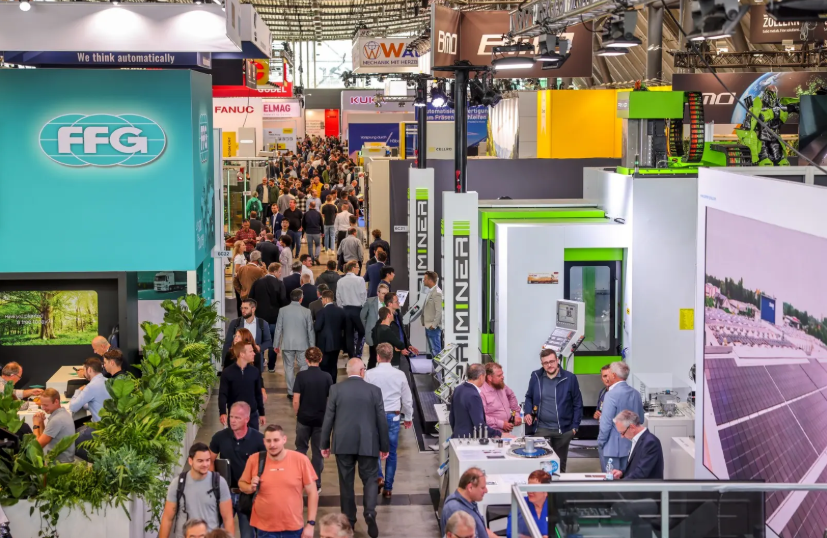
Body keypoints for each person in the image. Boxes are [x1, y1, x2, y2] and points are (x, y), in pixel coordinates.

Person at [320, 358, 389, 538]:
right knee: (370, 479)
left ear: (347, 371)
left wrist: (324, 444)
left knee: (346, 482)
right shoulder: (374, 390)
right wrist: (384, 445)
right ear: (362, 371)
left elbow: (328, 418)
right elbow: (381, 420)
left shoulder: (336, 389)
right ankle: (370, 512)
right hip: (368, 442)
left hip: (343, 443)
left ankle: (349, 520)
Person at [238, 425, 319, 538]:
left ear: (284, 439)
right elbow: (241, 484)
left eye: (276, 440)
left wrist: (311, 524)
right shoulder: (254, 459)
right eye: (268, 441)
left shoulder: (300, 460)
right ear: (264, 442)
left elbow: (313, 492)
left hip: (293, 528)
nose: (272, 445)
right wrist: (250, 487)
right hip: (264, 529)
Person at [209, 402, 265, 538]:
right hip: (225, 493)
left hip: (247, 495)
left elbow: (265, 465)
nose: (232, 421)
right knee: (220, 533)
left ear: (247, 419)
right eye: (231, 417)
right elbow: (209, 459)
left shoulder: (259, 440)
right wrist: (214, 482)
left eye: (237, 418)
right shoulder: (219, 437)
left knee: (248, 534)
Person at [364, 343, 413, 499]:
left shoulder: (369, 374)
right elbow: (407, 398)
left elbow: (365, 397)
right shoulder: (400, 375)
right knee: (392, 452)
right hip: (393, 416)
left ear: (378, 357)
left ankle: (379, 476)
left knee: (375, 449)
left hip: (374, 415)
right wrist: (408, 417)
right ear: (391, 357)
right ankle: (388, 488)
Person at [523, 349, 583, 473]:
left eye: (552, 361)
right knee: (538, 462)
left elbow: (577, 403)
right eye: (545, 363)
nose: (549, 365)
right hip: (541, 428)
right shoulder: (536, 376)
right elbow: (529, 397)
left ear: (557, 360)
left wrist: (575, 427)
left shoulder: (570, 378)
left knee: (558, 465)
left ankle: (558, 486)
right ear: (542, 364)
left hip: (563, 430)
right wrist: (528, 412)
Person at [159, 443, 234, 538]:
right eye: (200, 461)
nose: (205, 464)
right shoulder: (177, 484)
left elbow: (228, 519)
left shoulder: (219, 483)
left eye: (208, 460)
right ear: (190, 461)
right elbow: (167, 519)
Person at [293, 347, 333, 493]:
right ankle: (316, 483)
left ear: (306, 360)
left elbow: (296, 400)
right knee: (317, 452)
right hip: (320, 420)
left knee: (301, 449)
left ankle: (299, 480)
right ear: (320, 359)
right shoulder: (327, 377)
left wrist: (298, 414)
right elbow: (330, 400)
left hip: (304, 419)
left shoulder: (301, 376)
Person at [597, 361, 644, 474]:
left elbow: (605, 425)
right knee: (628, 479)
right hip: (631, 447)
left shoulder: (611, 395)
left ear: (613, 375)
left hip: (612, 449)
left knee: (612, 480)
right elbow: (641, 420)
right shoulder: (636, 394)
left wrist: (600, 443)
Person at [274, 289, 316, 399]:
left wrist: (276, 344)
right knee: (304, 367)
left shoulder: (282, 310)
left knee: (288, 368)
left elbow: (278, 328)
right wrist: (312, 346)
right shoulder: (306, 311)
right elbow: (310, 330)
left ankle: (291, 391)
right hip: (303, 344)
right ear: (301, 298)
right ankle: (302, 389)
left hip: (287, 344)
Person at [248, 263, 288, 373]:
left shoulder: (257, 283)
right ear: (274, 271)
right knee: (273, 343)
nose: (280, 274)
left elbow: (250, 299)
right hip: (274, 319)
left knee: (259, 342)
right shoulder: (279, 284)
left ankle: (259, 364)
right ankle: (271, 366)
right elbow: (283, 301)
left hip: (259, 318)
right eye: (279, 272)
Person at [219, 342, 266, 430]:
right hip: (234, 416)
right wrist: (222, 412)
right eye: (251, 351)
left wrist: (262, 413)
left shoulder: (255, 372)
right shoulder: (227, 373)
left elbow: (258, 394)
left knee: (253, 437)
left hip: (252, 415)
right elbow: (223, 394)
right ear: (242, 354)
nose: (254, 353)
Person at [441, 467, 497, 538]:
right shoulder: (456, 511)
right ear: (470, 487)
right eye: (482, 488)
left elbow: (481, 529)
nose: (486, 490)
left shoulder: (469, 502)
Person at [221, 298, 272, 375]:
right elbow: (227, 343)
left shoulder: (262, 324)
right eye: (242, 308)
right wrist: (224, 364)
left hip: (255, 361)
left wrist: (259, 347)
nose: (243, 311)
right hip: (237, 361)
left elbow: (268, 341)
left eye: (246, 308)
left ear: (253, 309)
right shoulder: (235, 323)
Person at [610, 410, 663, 480]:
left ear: (632, 428)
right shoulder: (637, 440)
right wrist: (622, 473)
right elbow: (634, 467)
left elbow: (641, 473)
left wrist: (620, 484)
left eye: (622, 433)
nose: (622, 436)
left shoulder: (650, 443)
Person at [449, 364, 499, 439]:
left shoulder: (458, 389)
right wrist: (497, 434)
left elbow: (451, 417)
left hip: (457, 437)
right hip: (469, 440)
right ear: (481, 377)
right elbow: (479, 425)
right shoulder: (473, 396)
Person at [31, 388, 76, 463]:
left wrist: (35, 424)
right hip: (62, 461)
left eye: (46, 405)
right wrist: (41, 422)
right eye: (42, 405)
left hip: (57, 464)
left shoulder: (56, 420)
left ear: (56, 402)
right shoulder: (63, 414)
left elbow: (37, 446)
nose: (43, 408)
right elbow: (45, 438)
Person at [480, 363, 522, 437]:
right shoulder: (481, 392)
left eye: (502, 374)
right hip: (492, 434)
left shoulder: (501, 385)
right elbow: (482, 417)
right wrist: (502, 424)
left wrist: (516, 414)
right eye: (499, 375)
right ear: (489, 378)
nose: (502, 377)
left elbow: (511, 396)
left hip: (506, 433)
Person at [506, 470, 551, 538]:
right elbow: (511, 533)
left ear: (546, 491)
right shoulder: (520, 503)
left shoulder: (554, 506)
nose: (530, 491)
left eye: (534, 488)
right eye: (528, 487)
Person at [336, 261, 366, 358]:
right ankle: (358, 353)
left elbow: (338, 298)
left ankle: (351, 355)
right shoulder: (360, 280)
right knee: (362, 332)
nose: (359, 269)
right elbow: (363, 295)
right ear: (353, 268)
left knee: (348, 334)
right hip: (357, 310)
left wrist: (342, 309)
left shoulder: (340, 281)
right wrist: (363, 308)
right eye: (357, 267)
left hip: (345, 310)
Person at [314, 290, 346, 383]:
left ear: (325, 299)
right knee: (333, 365)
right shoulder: (340, 311)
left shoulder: (321, 312)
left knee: (324, 365)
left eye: (322, 299)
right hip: (336, 343)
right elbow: (344, 327)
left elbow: (317, 327)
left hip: (323, 344)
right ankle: (333, 384)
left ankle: (325, 384)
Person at [68, 357, 109, 422]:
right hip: (111, 424)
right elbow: (98, 403)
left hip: (99, 426)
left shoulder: (90, 387)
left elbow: (73, 407)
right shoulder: (108, 381)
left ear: (89, 370)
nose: (84, 373)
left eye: (84, 370)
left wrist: (78, 390)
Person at [361, 284, 389, 369]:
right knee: (373, 357)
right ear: (378, 293)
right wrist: (367, 327)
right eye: (383, 293)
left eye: (386, 293)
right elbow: (362, 316)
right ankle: (370, 374)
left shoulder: (389, 303)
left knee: (385, 357)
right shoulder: (370, 302)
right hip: (373, 333)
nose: (385, 295)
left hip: (386, 333)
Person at [421, 271, 444, 357]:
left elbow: (439, 311)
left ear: (430, 280)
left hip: (433, 327)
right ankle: (435, 366)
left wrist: (434, 325)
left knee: (436, 350)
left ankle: (438, 366)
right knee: (432, 350)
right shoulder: (430, 291)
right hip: (429, 326)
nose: (423, 280)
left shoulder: (437, 292)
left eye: (425, 279)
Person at [303, 201, 323, 265]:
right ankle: (316, 256)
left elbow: (303, 223)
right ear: (315, 206)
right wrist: (322, 232)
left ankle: (311, 260)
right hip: (317, 232)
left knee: (310, 247)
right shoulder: (318, 214)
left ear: (309, 206)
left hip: (308, 232)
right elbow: (321, 224)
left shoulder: (306, 214)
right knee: (318, 245)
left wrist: (305, 230)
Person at [231, 241, 247, 317]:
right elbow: (237, 270)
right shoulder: (238, 257)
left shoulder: (242, 255)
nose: (245, 246)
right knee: (240, 300)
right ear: (239, 247)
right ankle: (240, 317)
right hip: (239, 281)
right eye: (243, 245)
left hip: (243, 279)